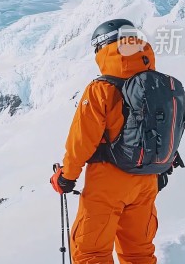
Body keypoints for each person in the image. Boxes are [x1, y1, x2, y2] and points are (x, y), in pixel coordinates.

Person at [50, 19, 170, 264]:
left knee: (91, 253)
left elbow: (81, 140)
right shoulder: (158, 84)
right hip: (147, 180)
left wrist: (66, 176)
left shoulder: (101, 89)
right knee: (139, 254)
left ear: (102, 48)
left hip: (108, 183)